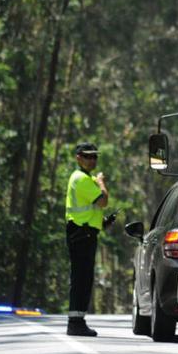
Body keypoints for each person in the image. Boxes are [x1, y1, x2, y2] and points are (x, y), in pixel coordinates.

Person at [64, 142, 109, 336]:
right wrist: (101, 183)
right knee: (80, 277)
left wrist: (102, 222)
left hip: (85, 232)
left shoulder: (85, 178)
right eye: (88, 156)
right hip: (81, 233)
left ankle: (78, 320)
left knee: (85, 278)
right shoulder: (81, 178)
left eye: (94, 157)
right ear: (78, 158)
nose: (92, 160)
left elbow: (93, 209)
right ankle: (74, 322)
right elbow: (103, 201)